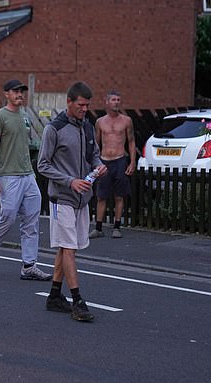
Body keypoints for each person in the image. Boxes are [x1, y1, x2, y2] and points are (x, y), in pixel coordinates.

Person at [37, 81, 107, 322]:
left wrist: (98, 167)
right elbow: (43, 165)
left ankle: (54, 296)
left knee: (67, 247)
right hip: (61, 197)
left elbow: (94, 154)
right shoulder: (54, 129)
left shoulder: (87, 127)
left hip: (81, 198)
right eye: (80, 105)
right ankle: (78, 300)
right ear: (69, 102)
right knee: (69, 249)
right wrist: (70, 181)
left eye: (87, 105)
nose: (85, 109)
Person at [0, 79, 51, 281]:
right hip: (8, 175)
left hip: (28, 174)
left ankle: (29, 265)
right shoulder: (0, 116)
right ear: (6, 93)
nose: (20, 94)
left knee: (31, 221)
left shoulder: (24, 116)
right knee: (7, 217)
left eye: (21, 91)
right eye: (16, 91)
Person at [89, 90, 136, 239]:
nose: (116, 102)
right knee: (101, 196)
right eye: (114, 100)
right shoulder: (100, 122)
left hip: (120, 159)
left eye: (118, 100)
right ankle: (98, 227)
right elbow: (96, 143)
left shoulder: (126, 120)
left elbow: (131, 141)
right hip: (104, 161)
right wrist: (95, 163)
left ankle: (117, 226)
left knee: (119, 196)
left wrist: (132, 162)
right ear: (107, 102)